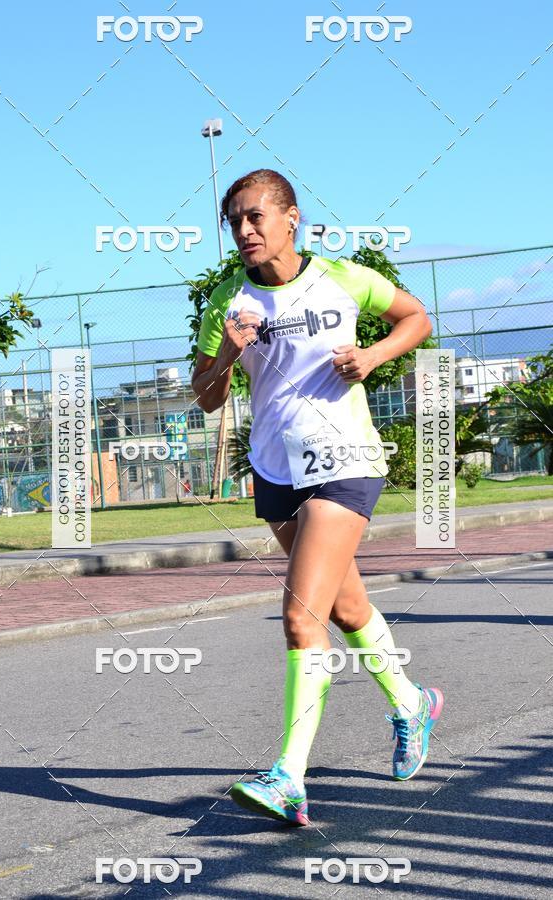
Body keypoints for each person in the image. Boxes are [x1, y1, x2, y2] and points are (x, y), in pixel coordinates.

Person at [191, 168, 443, 826]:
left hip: (345, 459)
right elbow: (206, 395)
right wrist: (228, 354)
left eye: (256, 216)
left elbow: (416, 317)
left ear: (291, 217)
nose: (245, 230)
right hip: (276, 471)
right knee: (346, 606)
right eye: (234, 221)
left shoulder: (343, 276)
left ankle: (288, 777)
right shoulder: (227, 299)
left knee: (302, 618)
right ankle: (411, 703)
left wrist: (375, 356)